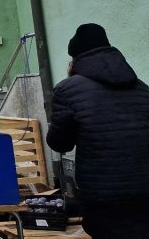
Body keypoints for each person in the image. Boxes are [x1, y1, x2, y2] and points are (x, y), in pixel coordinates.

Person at [46, 23, 149, 238]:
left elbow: (60, 143)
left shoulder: (68, 89)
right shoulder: (142, 88)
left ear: (75, 59)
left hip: (102, 194)